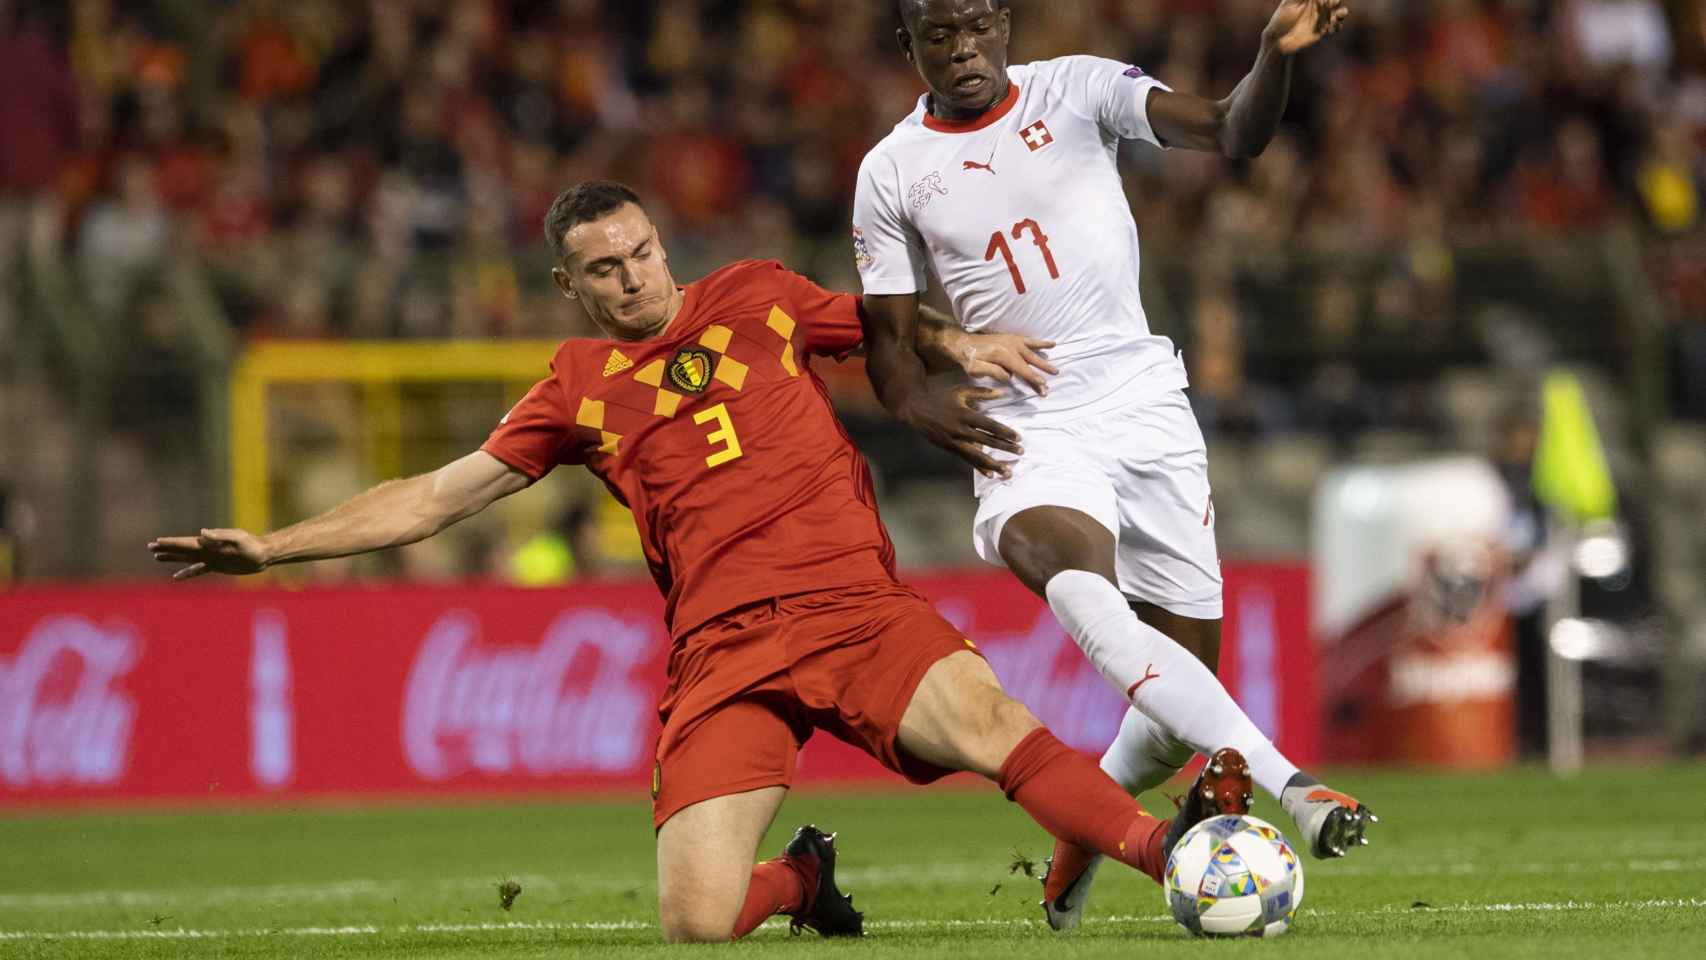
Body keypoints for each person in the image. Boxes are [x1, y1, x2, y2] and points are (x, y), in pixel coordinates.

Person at [150, 181, 1249, 943]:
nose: (630, 279)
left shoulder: (758, 299)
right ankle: (800, 881)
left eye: (639, 254)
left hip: (848, 605)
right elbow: (436, 496)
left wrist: (963, 345)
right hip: (721, 651)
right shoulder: (574, 387)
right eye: (602, 270)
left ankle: (1174, 855)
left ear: (660, 245)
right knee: (694, 921)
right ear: (565, 286)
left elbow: (885, 326)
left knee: (993, 729)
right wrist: (273, 547)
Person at [853, 0, 1377, 930]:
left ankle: (1075, 841)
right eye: (940, 36)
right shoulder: (891, 171)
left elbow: (1230, 130)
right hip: (1027, 423)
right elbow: (890, 351)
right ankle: (1294, 788)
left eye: (977, 27)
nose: (963, 50)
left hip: (1143, 404)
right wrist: (924, 405)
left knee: (1183, 704)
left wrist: (1271, 56)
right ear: (911, 47)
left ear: (1004, 26)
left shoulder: (1081, 88)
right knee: (1080, 586)